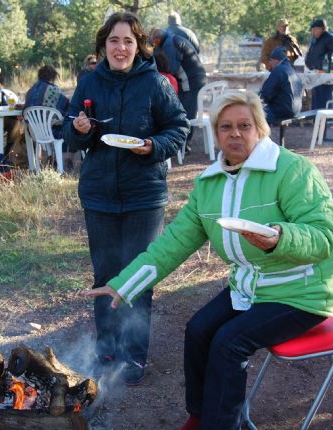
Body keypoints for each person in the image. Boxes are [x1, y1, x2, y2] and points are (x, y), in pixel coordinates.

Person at [87, 90, 333, 430]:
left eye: (244, 125)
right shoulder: (211, 184)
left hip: (302, 292)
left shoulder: (293, 170)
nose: (235, 134)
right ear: (215, 133)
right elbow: (174, 242)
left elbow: (325, 237)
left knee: (229, 342)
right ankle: (200, 415)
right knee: (197, 330)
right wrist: (124, 284)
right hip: (250, 288)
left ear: (260, 129)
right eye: (225, 127)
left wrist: (279, 237)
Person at [63, 12, 189, 385]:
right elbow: (71, 134)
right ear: (104, 45)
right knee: (105, 274)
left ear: (139, 47)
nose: (120, 48)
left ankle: (133, 355)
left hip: (143, 195)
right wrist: (79, 128)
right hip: (99, 195)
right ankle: (106, 348)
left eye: (128, 42)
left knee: (137, 276)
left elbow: (179, 129)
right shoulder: (89, 83)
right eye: (114, 41)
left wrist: (152, 146)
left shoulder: (155, 84)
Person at [151, 28, 206, 153]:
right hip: (197, 77)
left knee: (185, 113)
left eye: (154, 42)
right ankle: (183, 144)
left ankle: (183, 145)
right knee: (187, 111)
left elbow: (171, 67)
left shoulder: (170, 44)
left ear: (158, 39)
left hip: (190, 80)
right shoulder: (173, 38)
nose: (154, 45)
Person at [24, 64, 73, 170]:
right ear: (53, 77)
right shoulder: (53, 90)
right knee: (67, 124)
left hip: (34, 132)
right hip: (50, 132)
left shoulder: (30, 91)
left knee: (52, 121)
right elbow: (66, 107)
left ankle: (50, 158)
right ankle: (64, 162)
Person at [305, 17, 333, 141]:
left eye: (316, 29)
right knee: (316, 104)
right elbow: (311, 54)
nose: (314, 32)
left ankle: (323, 134)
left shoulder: (330, 38)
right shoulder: (315, 39)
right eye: (312, 30)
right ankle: (317, 134)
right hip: (315, 75)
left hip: (325, 77)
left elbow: (332, 57)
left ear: (322, 29)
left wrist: (326, 70)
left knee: (323, 104)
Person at [259, 47, 302, 125]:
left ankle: (261, 136)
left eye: (270, 60)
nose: (269, 63)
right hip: (296, 110)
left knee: (253, 109)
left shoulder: (278, 71)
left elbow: (265, 94)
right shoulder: (291, 69)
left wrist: (254, 99)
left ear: (275, 60)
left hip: (283, 112)